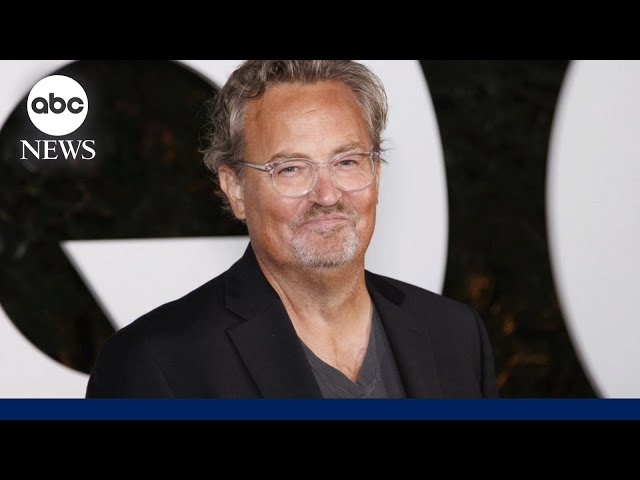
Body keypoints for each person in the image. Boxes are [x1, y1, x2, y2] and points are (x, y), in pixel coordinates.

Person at [86, 60, 498, 398]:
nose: (327, 195)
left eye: (347, 162)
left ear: (376, 170)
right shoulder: (155, 365)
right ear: (235, 190)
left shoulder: (455, 335)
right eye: (290, 169)